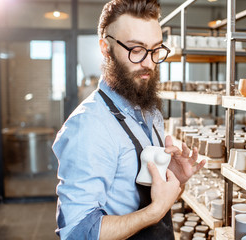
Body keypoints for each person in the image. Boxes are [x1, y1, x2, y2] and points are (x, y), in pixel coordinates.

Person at [52, 0, 206, 239]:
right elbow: (76, 231)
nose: (149, 63)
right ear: (105, 48)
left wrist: (175, 178)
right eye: (136, 50)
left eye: (156, 50)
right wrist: (153, 213)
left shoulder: (149, 110)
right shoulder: (88, 125)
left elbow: (150, 191)